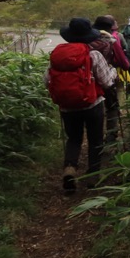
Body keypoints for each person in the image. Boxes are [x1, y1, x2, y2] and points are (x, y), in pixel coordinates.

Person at [45, 17, 117, 192]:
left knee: (74, 139)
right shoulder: (93, 54)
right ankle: (93, 176)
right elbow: (106, 82)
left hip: (67, 106)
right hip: (93, 104)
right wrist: (113, 72)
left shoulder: (57, 54)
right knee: (95, 140)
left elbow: (47, 79)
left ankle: (70, 168)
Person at [91, 16, 129, 144]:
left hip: (86, 80)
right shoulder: (111, 40)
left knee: (93, 109)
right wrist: (115, 67)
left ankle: (95, 139)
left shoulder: (86, 39)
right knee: (112, 108)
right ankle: (111, 138)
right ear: (110, 27)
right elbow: (123, 62)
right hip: (106, 78)